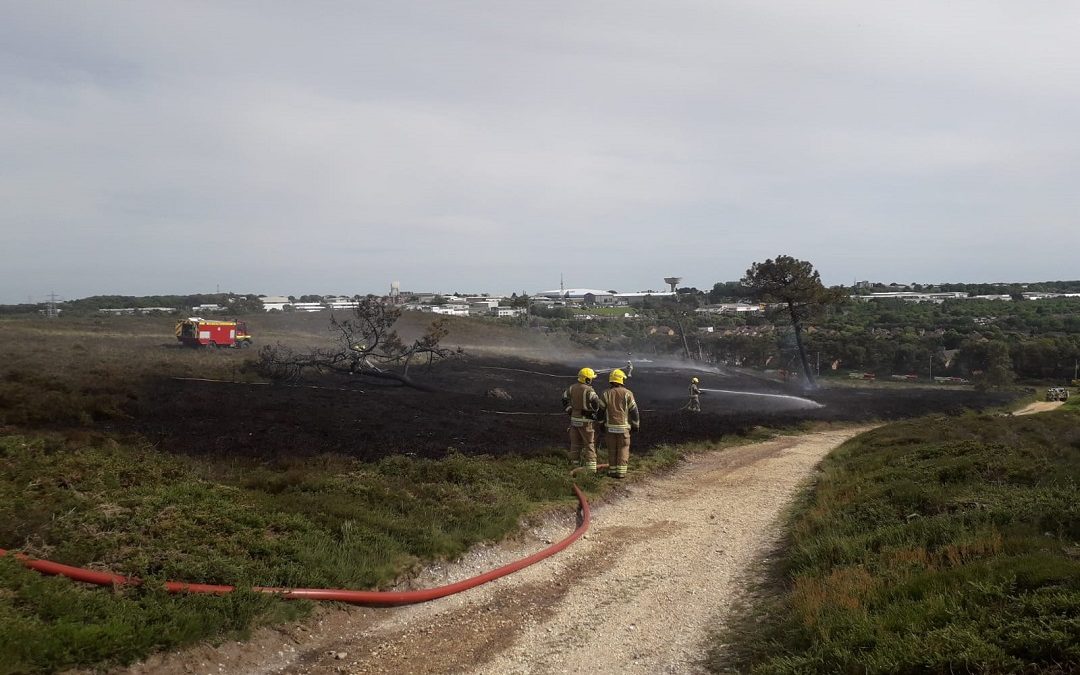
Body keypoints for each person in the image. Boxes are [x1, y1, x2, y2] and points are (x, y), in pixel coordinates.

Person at [597, 368, 639, 479]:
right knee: (623, 449)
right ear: (621, 380)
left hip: (610, 428)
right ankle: (621, 472)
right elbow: (634, 411)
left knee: (612, 449)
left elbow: (600, 411)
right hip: (623, 428)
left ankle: (612, 471)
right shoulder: (627, 393)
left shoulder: (606, 394)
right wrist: (636, 425)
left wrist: (601, 424)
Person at [562, 367, 601, 472]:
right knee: (589, 444)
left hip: (574, 420)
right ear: (587, 379)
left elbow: (564, 398)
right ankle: (591, 468)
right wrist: (594, 411)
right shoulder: (589, 390)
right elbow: (596, 401)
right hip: (586, 422)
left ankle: (574, 465)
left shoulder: (572, 388)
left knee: (575, 444)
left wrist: (569, 410)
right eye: (591, 378)